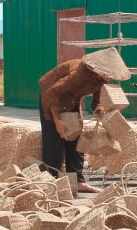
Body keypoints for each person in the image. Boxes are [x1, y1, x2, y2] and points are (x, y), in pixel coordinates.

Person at [39, 47, 131, 193]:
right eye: (108, 73)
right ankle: (50, 182)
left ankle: (78, 182)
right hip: (51, 96)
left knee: (76, 139)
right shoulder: (79, 74)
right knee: (54, 141)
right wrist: (57, 121)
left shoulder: (100, 80)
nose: (110, 77)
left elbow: (96, 102)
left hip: (72, 99)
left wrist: (101, 113)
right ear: (99, 68)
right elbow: (53, 92)